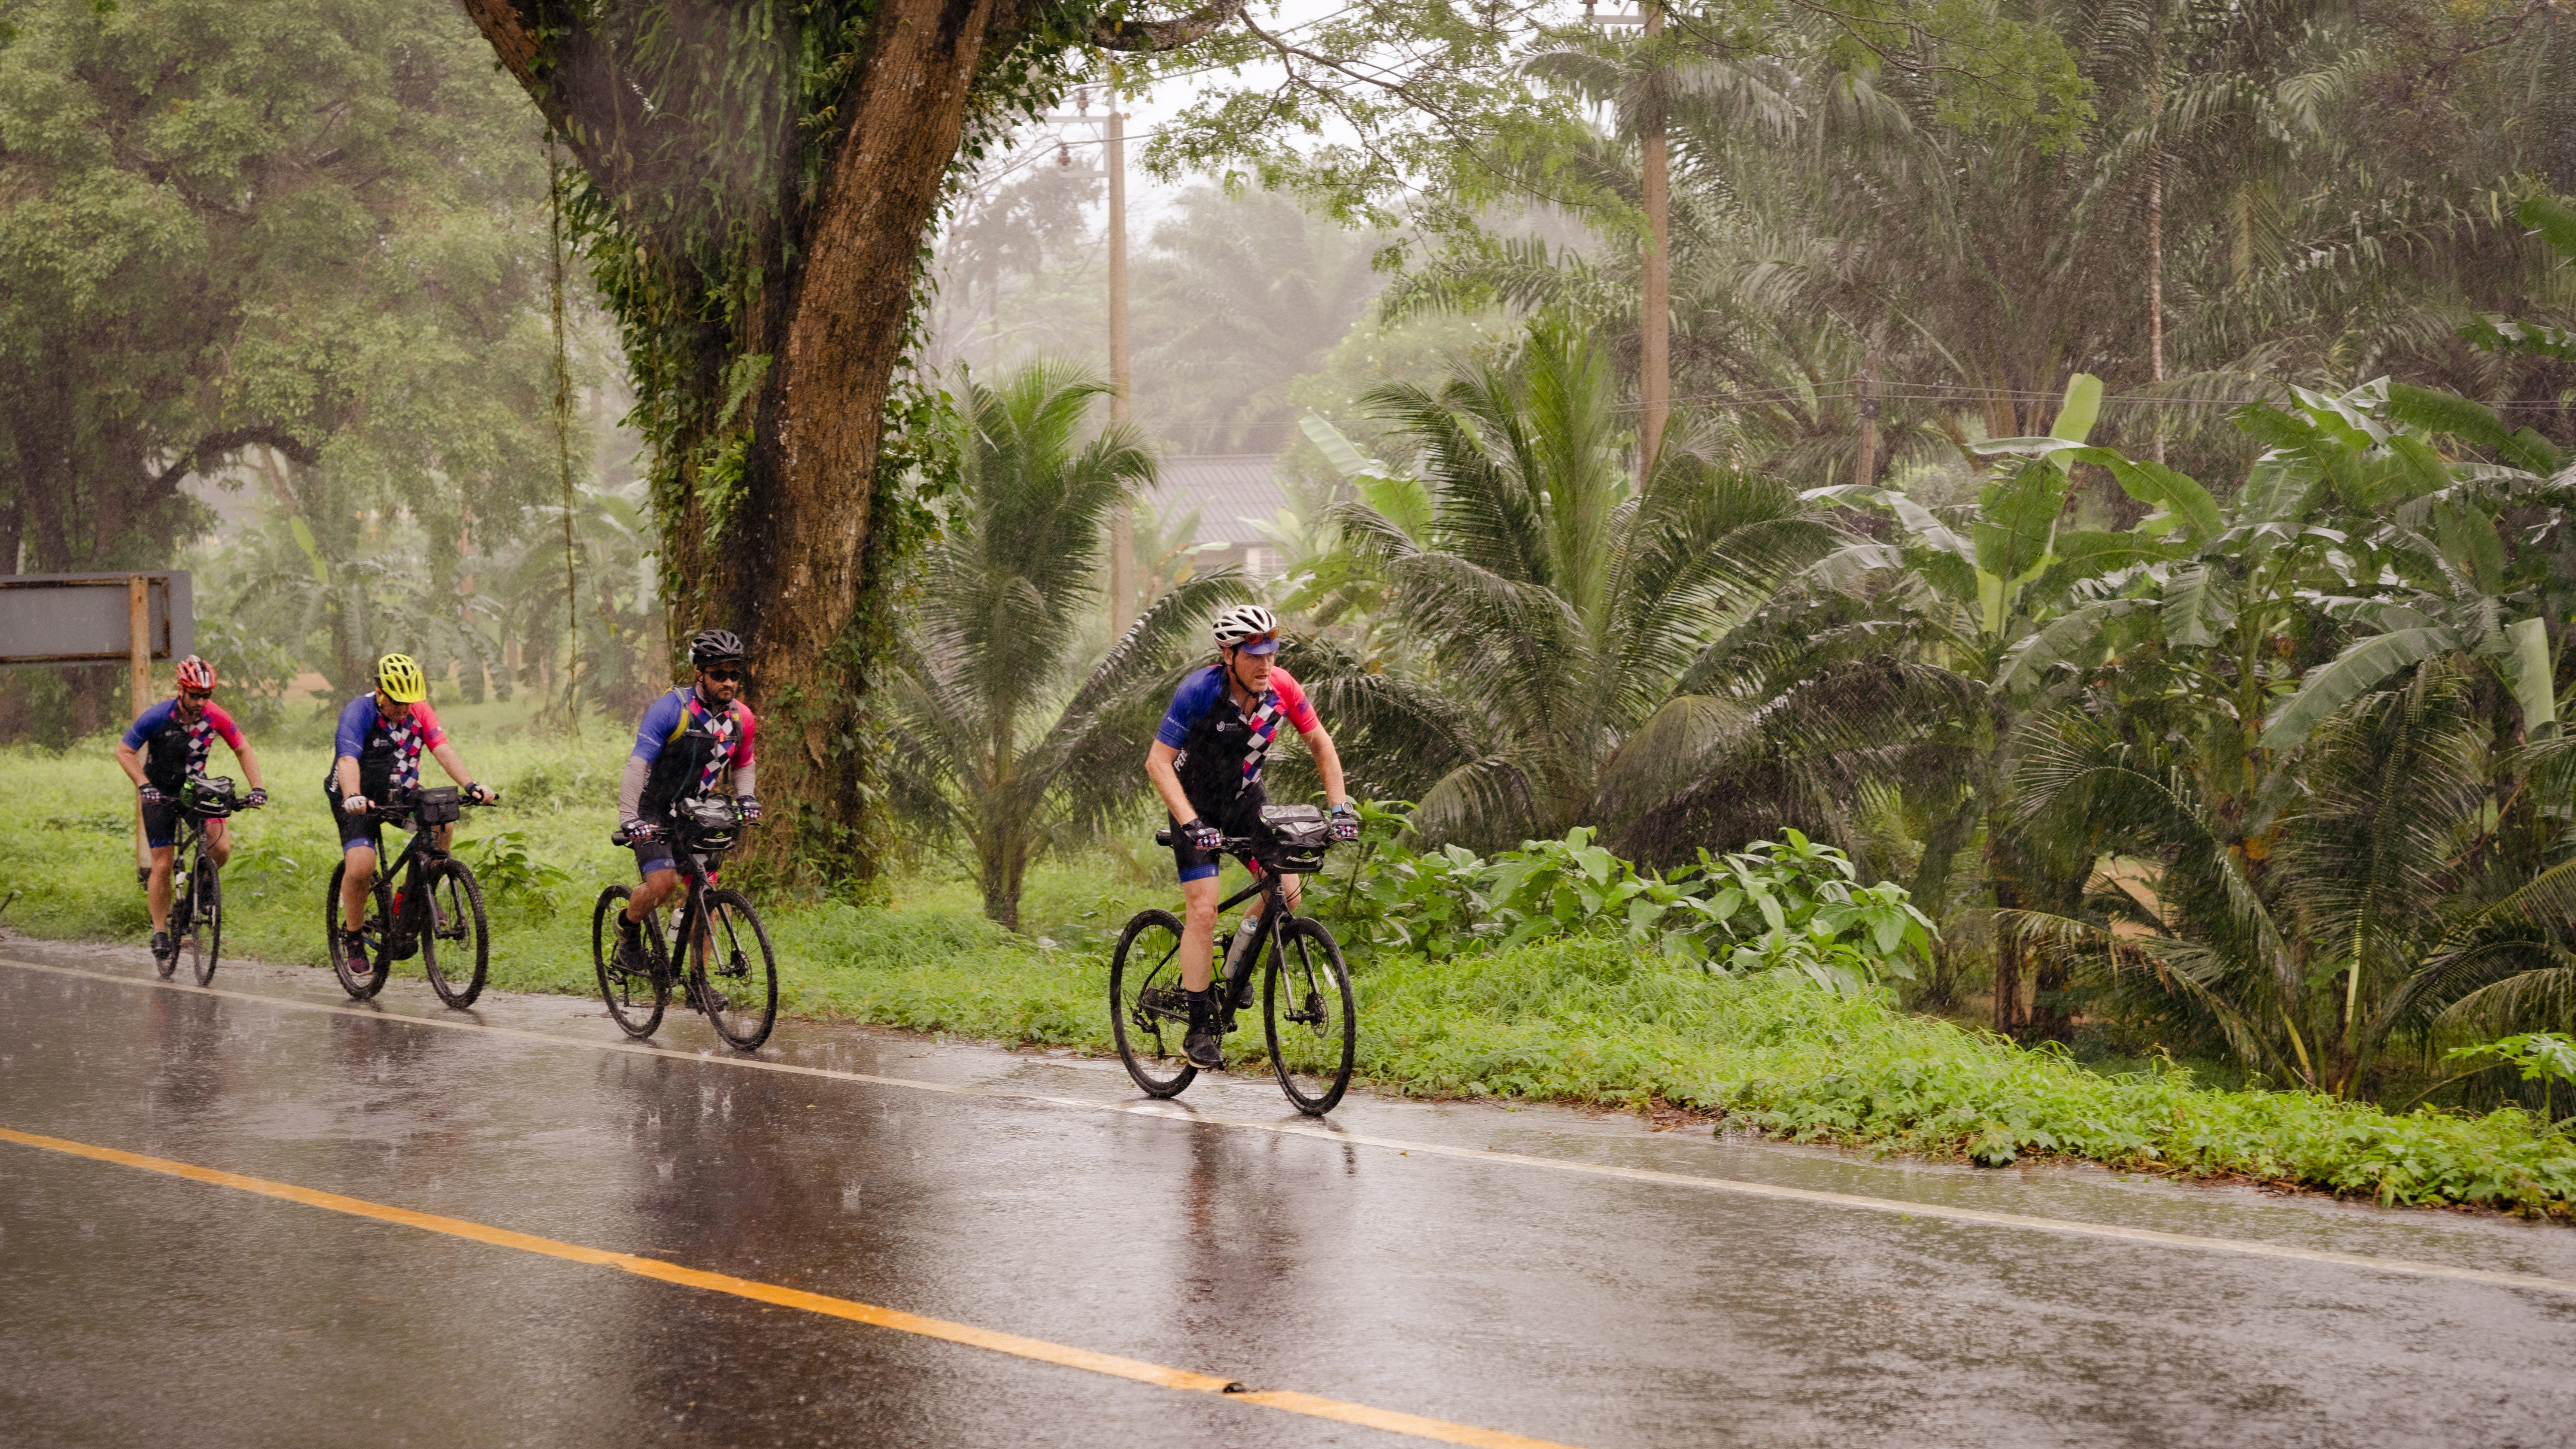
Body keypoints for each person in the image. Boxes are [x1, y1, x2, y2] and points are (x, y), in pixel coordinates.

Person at [1145, 604, 1361, 1068]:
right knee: (1203, 908)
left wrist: (1340, 807)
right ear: (1227, 653)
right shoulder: (1199, 691)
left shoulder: (1281, 688)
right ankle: (1200, 1028)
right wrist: (1191, 823)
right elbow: (1158, 763)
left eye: (1271, 653)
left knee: (1288, 889)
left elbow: (1320, 742)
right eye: (1254, 654)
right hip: (1194, 804)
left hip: (1245, 798)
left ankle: (1235, 964)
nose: (1266, 664)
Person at [326, 653, 495, 966]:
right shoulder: (358, 712)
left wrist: (472, 785)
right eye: (397, 702)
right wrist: (353, 796)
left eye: (410, 702)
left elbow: (442, 749)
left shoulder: (419, 712)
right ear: (380, 692)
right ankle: (352, 936)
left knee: (441, 822)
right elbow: (348, 759)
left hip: (399, 793)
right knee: (363, 865)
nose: (404, 709)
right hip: (355, 795)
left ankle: (411, 898)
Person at [611, 630, 761, 978]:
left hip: (697, 812)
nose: (728, 682)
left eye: (734, 675)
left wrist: (747, 797)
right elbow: (638, 764)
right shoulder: (670, 710)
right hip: (654, 810)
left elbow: (743, 763)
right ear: (699, 673)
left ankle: (699, 983)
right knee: (664, 885)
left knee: (705, 895)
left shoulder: (742, 718)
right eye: (719, 674)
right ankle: (627, 929)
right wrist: (629, 818)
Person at [115, 655, 267, 964]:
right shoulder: (159, 716)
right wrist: (144, 785)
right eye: (195, 695)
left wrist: (258, 788)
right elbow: (124, 751)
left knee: (220, 845)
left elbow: (242, 747)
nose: (200, 702)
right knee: (162, 864)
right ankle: (160, 930)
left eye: (206, 696)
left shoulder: (214, 716)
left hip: (195, 789)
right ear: (181, 690)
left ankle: (202, 886)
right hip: (158, 792)